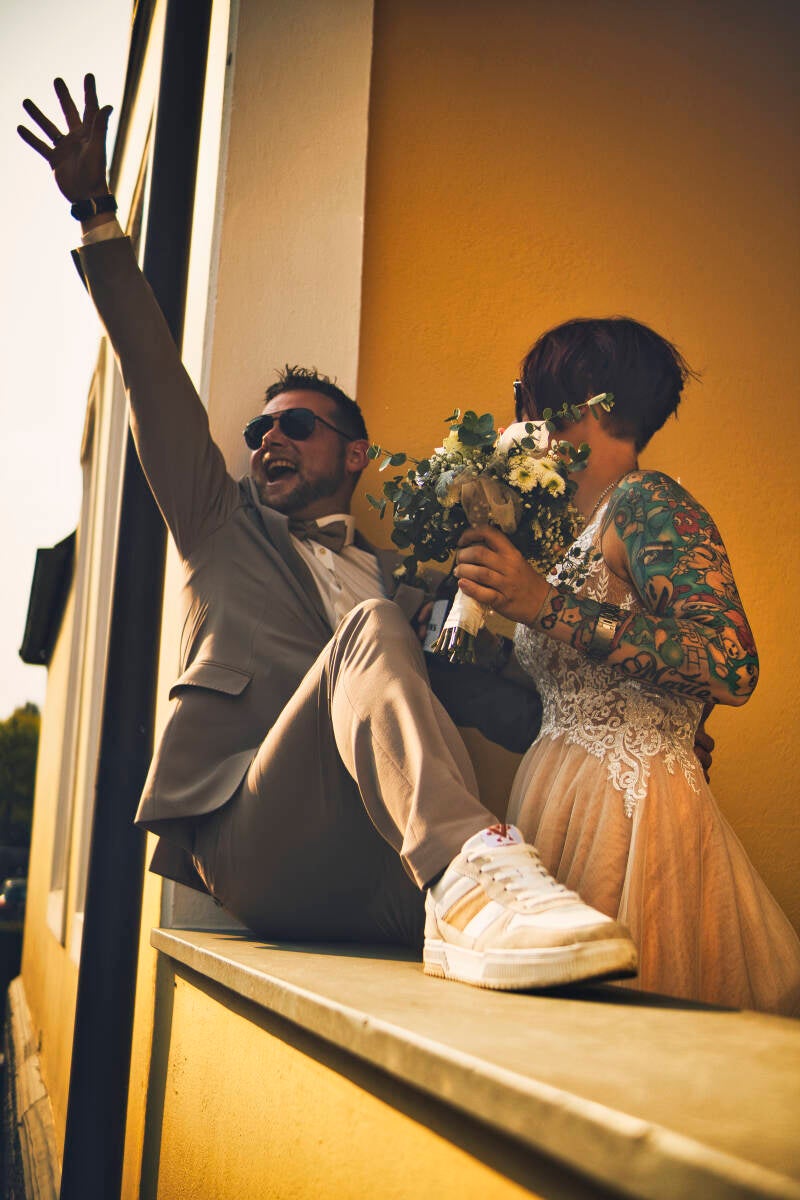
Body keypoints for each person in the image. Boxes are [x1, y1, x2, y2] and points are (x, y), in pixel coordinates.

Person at [17, 74, 646, 993]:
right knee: (375, 628)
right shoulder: (218, 523)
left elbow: (505, 706)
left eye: (296, 426)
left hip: (373, 865)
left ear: (354, 455)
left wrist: (634, 718)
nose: (267, 440)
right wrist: (97, 217)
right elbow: (151, 376)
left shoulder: (400, 582)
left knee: (414, 634)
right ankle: (471, 873)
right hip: (253, 834)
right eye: (258, 429)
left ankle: (481, 907)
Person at [454, 318, 800, 1016]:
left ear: (588, 404)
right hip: (555, 791)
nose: (521, 413)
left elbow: (731, 662)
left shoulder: (650, 502)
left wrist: (545, 604)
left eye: (530, 393)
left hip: (630, 808)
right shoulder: (571, 530)